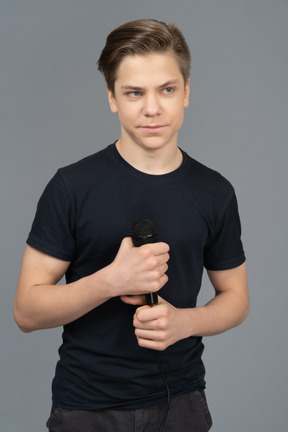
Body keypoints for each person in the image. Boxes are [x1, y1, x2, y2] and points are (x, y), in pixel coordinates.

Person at [14, 19, 249, 432]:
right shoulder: (72, 186)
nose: (152, 108)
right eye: (134, 92)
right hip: (85, 408)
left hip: (182, 403)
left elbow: (236, 298)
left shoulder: (215, 192)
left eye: (167, 89)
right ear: (112, 98)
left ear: (187, 92)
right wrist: (112, 280)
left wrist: (185, 323)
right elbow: (27, 312)